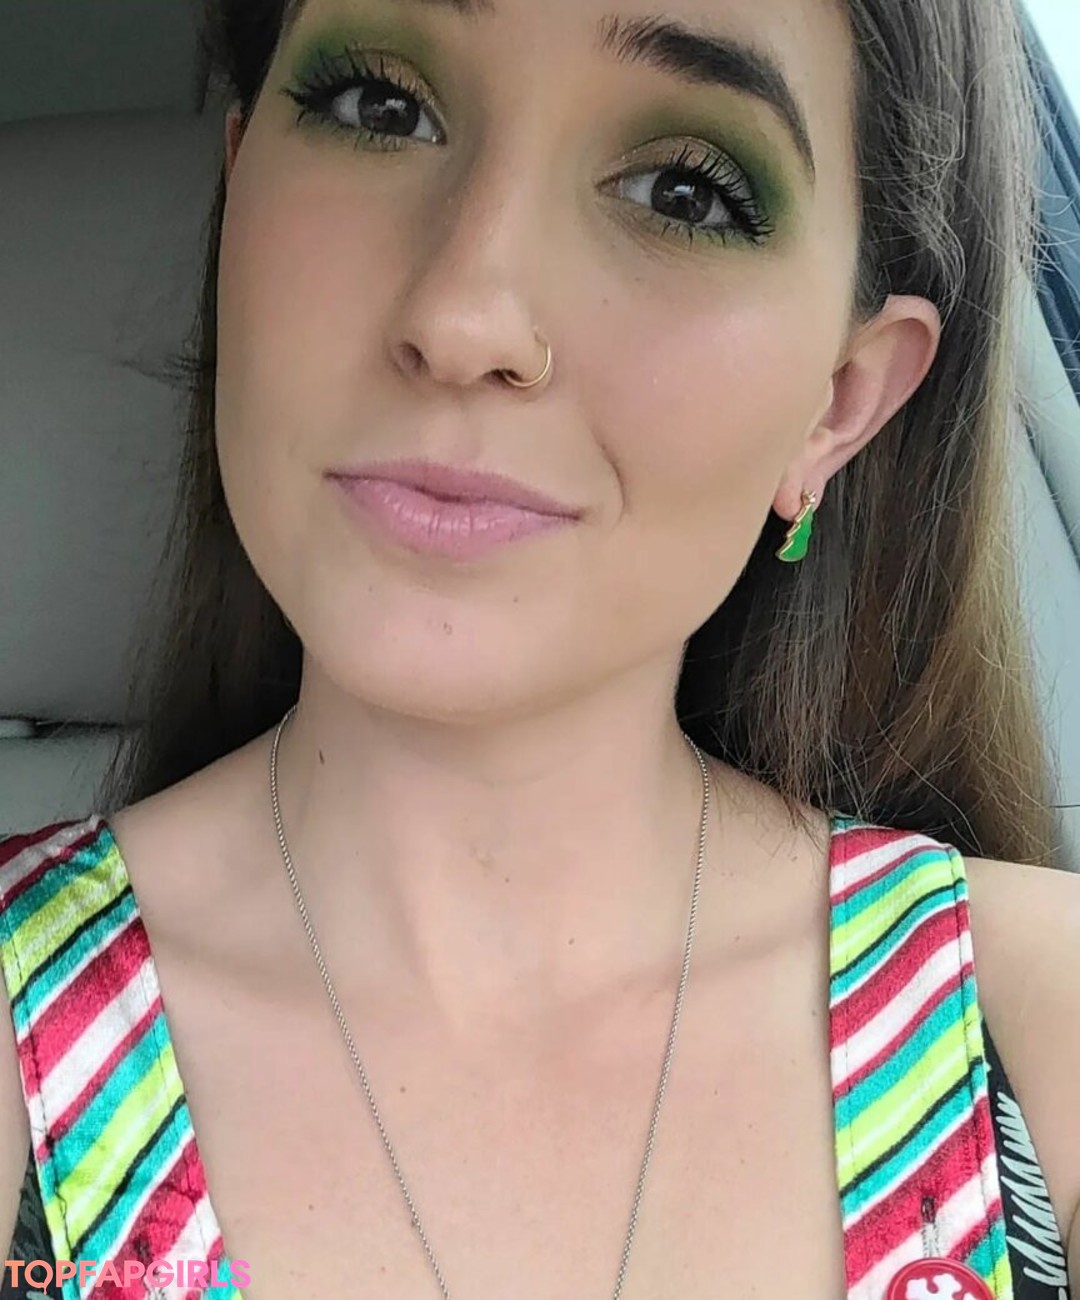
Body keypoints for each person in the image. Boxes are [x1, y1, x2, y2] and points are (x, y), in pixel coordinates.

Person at [1, 0, 1078, 1296]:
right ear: (240, 207)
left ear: (840, 406)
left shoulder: (1046, 1033)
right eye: (381, 108)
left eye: (684, 192)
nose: (466, 320)